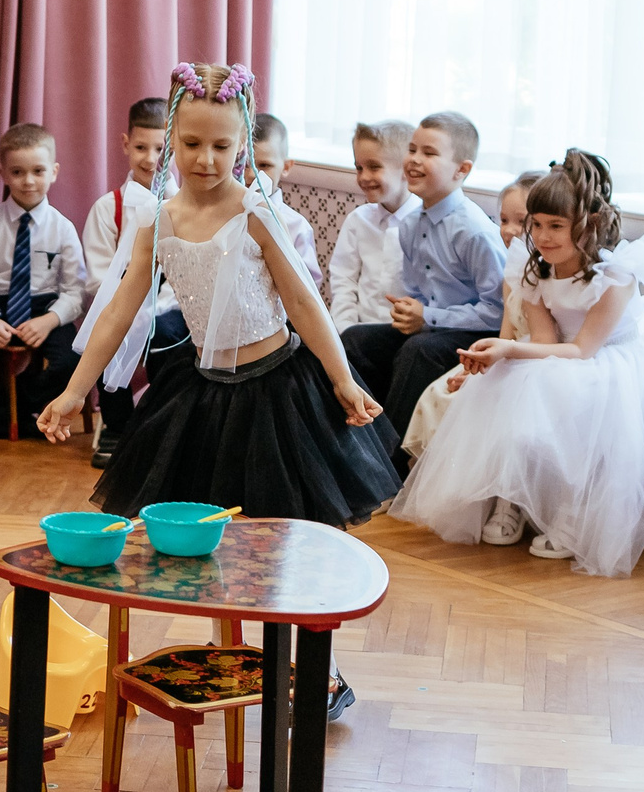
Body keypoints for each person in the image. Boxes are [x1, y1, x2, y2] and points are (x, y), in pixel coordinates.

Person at [42, 61, 397, 531]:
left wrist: (343, 381)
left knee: (278, 534)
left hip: (280, 393)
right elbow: (118, 314)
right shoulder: (159, 221)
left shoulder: (257, 213)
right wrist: (74, 390)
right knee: (208, 537)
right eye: (191, 144)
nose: (205, 159)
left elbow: (304, 304)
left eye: (221, 146)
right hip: (202, 393)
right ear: (171, 136)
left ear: (243, 145)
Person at [388, 151, 644, 574]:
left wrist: (509, 351)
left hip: (611, 359)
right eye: (538, 225)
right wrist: (495, 358)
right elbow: (546, 341)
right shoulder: (535, 272)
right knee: (507, 389)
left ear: (587, 226)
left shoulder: (614, 277)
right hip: (562, 354)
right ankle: (510, 500)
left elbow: (584, 350)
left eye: (556, 227)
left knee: (572, 401)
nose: (543, 238)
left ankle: (570, 516)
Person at [339, 112, 507, 466]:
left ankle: (390, 465)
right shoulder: (412, 224)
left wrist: (426, 317)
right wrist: (408, 309)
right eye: (412, 149)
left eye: (429, 153)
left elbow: (498, 310)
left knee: (418, 351)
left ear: (461, 170)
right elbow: (417, 290)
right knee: (355, 340)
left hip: (473, 334)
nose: (414, 159)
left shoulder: (474, 231)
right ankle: (352, 449)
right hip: (430, 328)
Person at [0, 124, 89, 439]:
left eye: (38, 171)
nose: (29, 181)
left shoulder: (63, 229)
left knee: (73, 363)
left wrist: (49, 321)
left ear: (54, 172)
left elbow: (75, 292)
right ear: (3, 174)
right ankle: (8, 419)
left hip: (45, 305)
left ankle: (21, 408)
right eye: (18, 172)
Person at [398, 168, 546, 459]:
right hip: (506, 354)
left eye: (522, 222)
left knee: (441, 377)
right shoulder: (513, 272)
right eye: (503, 220)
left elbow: (526, 339)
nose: (508, 230)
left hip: (532, 363)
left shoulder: (542, 279)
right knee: (439, 394)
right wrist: (480, 372)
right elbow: (505, 332)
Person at [82, 97, 186, 468]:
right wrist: (129, 311)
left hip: (172, 305)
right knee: (109, 328)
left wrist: (154, 311)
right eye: (141, 148)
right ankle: (116, 424)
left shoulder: (187, 207)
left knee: (166, 337)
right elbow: (96, 275)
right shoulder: (107, 208)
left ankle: (164, 424)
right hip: (120, 300)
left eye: (160, 149)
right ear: (126, 144)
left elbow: (188, 273)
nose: (150, 158)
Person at [326, 118, 416, 332]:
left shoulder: (423, 226)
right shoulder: (358, 220)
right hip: (358, 332)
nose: (364, 177)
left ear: (406, 169)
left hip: (404, 335)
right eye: (359, 167)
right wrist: (345, 330)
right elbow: (343, 281)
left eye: (374, 167)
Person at [249, 112, 323, 287]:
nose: (252, 174)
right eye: (245, 163)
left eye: (264, 165)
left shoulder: (296, 227)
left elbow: (309, 287)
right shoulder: (224, 214)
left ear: (286, 167)